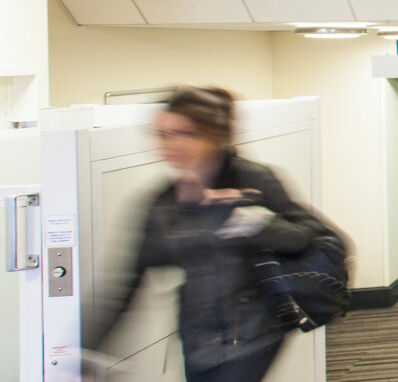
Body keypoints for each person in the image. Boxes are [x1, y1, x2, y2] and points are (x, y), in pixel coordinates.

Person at [83, 86, 331, 382]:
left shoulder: (252, 179)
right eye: (162, 134)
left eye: (184, 133)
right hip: (197, 339)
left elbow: (307, 237)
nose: (170, 144)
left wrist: (250, 220)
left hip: (254, 334)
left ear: (213, 135)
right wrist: (87, 349)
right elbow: (126, 281)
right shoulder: (161, 203)